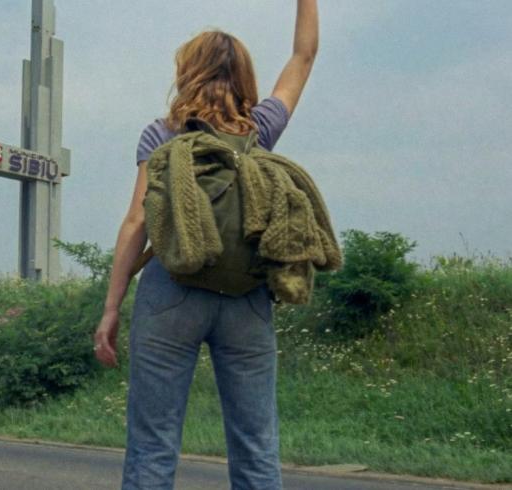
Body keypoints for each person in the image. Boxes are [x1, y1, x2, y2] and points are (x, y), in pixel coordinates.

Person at [93, 2, 319, 488]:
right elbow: (303, 56)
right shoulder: (259, 130)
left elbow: (137, 222)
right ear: (244, 78)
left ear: (187, 72)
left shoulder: (163, 134)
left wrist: (111, 308)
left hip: (171, 291)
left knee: (153, 447)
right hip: (246, 299)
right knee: (257, 447)